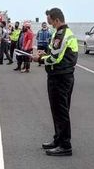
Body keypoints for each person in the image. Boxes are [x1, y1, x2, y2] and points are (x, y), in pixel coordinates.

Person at [33, 8, 78, 156]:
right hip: (63, 76)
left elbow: (54, 59)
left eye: (50, 21)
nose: (50, 24)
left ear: (56, 20)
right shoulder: (66, 33)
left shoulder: (61, 34)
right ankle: (58, 139)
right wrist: (45, 53)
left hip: (60, 77)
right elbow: (55, 54)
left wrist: (39, 58)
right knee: (58, 110)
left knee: (60, 111)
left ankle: (65, 145)